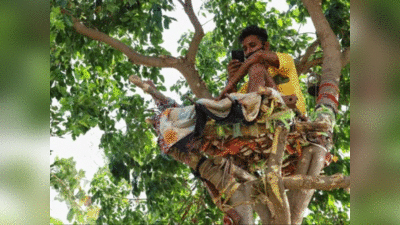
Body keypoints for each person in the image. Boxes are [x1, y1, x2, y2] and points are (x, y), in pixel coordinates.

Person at [220, 25, 306, 115]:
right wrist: (231, 78)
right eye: (245, 49)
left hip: (292, 116)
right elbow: (232, 106)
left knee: (257, 68)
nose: (248, 51)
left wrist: (232, 81)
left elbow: (259, 56)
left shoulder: (286, 60)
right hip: (260, 120)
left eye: (252, 45)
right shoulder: (249, 86)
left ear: (266, 46)